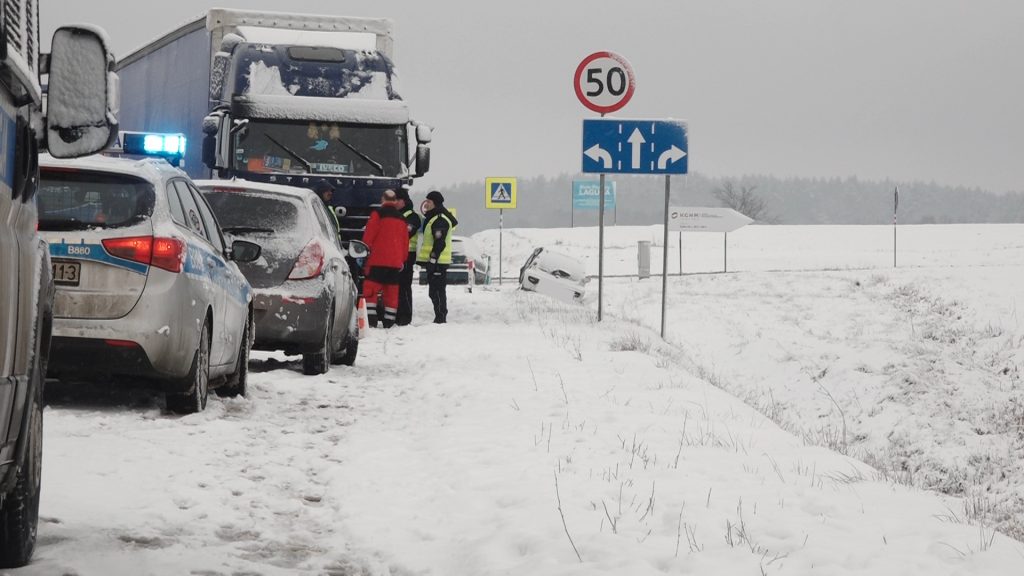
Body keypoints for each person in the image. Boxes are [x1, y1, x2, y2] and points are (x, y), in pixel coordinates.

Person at [360, 189, 409, 328]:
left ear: (383, 199)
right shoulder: (401, 219)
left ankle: (371, 318)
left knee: (371, 289)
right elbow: (405, 242)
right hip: (395, 262)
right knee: (391, 291)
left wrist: (364, 251)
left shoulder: (377, 214)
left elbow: (369, 235)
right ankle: (389, 320)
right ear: (394, 201)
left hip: (377, 260)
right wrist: (402, 260)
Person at [417, 190, 458, 324]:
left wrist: (433, 258)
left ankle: (441, 317)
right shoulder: (433, 217)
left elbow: (439, 242)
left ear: (434, 203)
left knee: (437, 291)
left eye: (428, 202)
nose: (426, 204)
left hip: (438, 262)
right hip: (435, 261)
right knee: (434, 291)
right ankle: (439, 316)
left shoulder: (440, 219)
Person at [396, 188, 421, 326]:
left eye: (396, 200)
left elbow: (405, 234)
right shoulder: (397, 215)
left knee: (404, 287)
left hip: (407, 255)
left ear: (403, 201)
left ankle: (405, 317)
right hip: (396, 254)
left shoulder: (412, 217)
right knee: (396, 287)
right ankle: (398, 314)